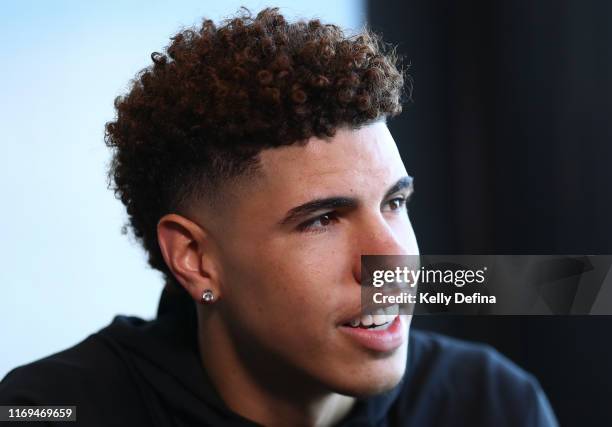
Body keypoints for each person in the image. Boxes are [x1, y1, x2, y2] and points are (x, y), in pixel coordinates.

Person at [0, 7, 558, 427]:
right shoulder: (53, 409)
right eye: (322, 220)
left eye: (394, 202)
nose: (389, 259)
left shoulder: (488, 402)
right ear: (196, 259)